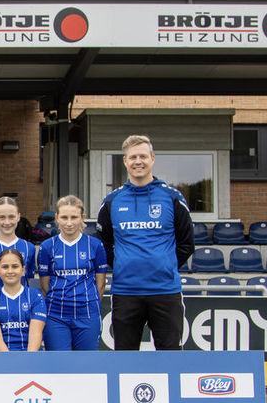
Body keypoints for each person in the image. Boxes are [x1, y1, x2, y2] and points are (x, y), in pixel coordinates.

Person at [96, 135, 195, 351]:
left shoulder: (172, 198)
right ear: (125, 161)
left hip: (165, 290)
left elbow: (187, 243)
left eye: (143, 156)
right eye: (133, 157)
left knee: (170, 355)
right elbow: (104, 244)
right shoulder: (112, 201)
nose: (138, 161)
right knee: (125, 357)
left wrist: (164, 265)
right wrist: (124, 264)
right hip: (126, 292)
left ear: (152, 158)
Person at [38, 195, 108, 350]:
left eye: (74, 217)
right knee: (59, 361)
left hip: (87, 314)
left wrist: (87, 303)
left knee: (86, 361)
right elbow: (44, 286)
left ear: (82, 217)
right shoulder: (47, 247)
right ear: (57, 217)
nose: (69, 223)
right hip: (56, 315)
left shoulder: (95, 245)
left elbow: (100, 285)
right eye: (64, 217)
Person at [0, 249, 47, 351]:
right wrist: (11, 359)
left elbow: (36, 335)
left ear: (23, 270)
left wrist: (28, 359)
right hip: (1, 357)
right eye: (5, 267)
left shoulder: (35, 296)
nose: (10, 271)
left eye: (15, 266)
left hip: (30, 356)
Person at [0, 196, 36, 294]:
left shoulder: (29, 248)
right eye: (2, 217)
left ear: (18, 217)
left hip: (23, 303)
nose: (7, 222)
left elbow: (28, 279)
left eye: (11, 217)